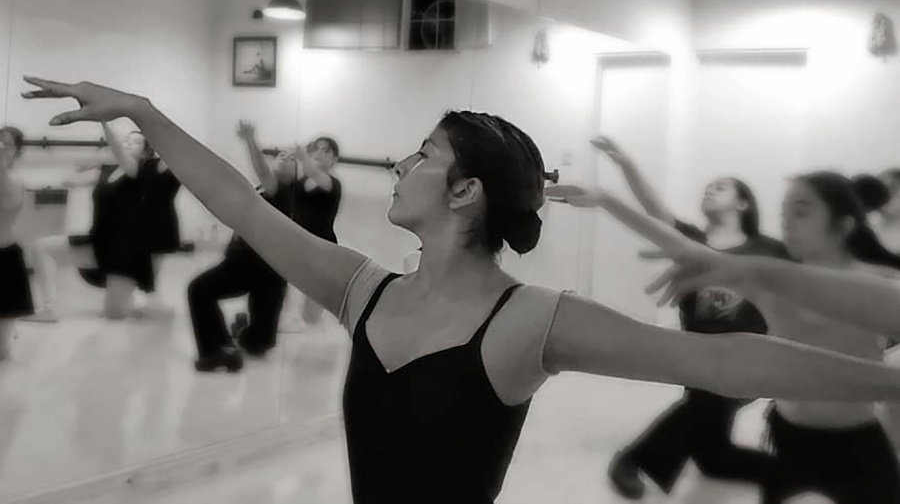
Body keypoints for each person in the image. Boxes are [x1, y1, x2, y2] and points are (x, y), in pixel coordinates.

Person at [22, 76, 900, 504]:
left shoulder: (530, 321)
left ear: (465, 191)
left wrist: (893, 383)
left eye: (423, 155)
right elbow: (240, 207)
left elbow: (724, 359)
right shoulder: (363, 289)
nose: (400, 165)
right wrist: (144, 110)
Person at [551, 171, 900, 503]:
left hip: (859, 443)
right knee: (716, 437)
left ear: (843, 223)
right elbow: (680, 244)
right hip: (790, 440)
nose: (787, 222)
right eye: (784, 212)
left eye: (801, 210)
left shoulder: (879, 281)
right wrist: (605, 200)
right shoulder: (772, 278)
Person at [589, 136, 789, 499]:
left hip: (749, 355)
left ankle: (635, 460)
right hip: (696, 354)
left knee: (712, 399)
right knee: (713, 452)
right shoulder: (689, 239)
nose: (710, 191)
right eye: (707, 188)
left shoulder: (769, 249)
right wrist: (626, 164)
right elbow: (652, 208)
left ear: (743, 203)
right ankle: (793, 473)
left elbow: (802, 290)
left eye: (721, 188)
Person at [188, 121, 338, 372]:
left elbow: (262, 170)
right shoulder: (269, 189)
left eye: (291, 159)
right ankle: (230, 341)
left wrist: (249, 140)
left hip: (255, 266)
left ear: (299, 172)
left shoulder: (285, 190)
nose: (283, 158)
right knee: (258, 342)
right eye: (281, 155)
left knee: (199, 291)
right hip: (266, 271)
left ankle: (223, 346)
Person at [28, 123, 158, 321]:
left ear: (145, 153)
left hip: (125, 253)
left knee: (115, 315)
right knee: (41, 247)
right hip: (99, 242)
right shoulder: (106, 171)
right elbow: (69, 180)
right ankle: (48, 308)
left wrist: (104, 121)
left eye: (136, 141)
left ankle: (132, 290)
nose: (128, 142)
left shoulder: (140, 174)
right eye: (127, 140)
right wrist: (95, 164)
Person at [0, 126, 34, 359]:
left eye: (6, 145)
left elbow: (9, 202)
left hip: (4, 260)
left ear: (17, 152)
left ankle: (8, 332)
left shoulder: (14, 181)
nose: (1, 148)